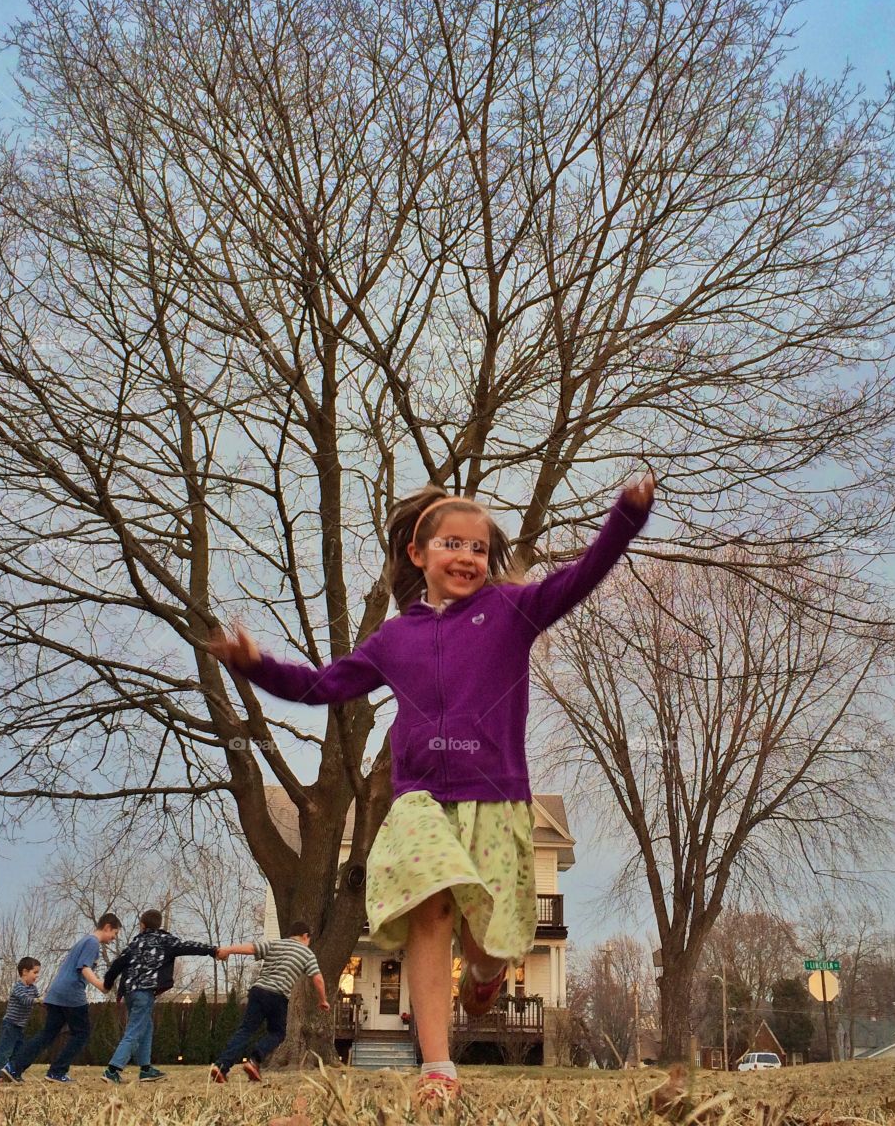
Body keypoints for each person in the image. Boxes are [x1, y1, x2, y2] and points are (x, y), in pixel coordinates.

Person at [207, 470, 654, 1105]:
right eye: (452, 543)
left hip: (497, 799)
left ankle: (485, 973)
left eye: (478, 547)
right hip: (421, 800)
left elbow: (579, 579)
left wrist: (626, 518)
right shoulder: (396, 638)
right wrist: (253, 665)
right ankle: (438, 1066)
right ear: (419, 554)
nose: (468, 557)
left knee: (487, 944)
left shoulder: (511, 611)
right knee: (432, 908)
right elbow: (324, 686)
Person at [101, 909, 221, 1084]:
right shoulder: (165, 941)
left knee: (146, 1027)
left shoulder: (136, 942)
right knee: (135, 1030)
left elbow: (118, 963)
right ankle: (112, 1070)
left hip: (130, 992)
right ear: (159, 925)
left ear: (142, 925)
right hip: (145, 992)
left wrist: (107, 982)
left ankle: (146, 1069)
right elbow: (189, 946)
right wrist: (213, 950)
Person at [2, 912, 122, 1084]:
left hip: (56, 992)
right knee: (82, 1033)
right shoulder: (92, 942)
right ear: (107, 927)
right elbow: (84, 968)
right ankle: (57, 1072)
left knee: (47, 1034)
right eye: (114, 933)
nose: (113, 938)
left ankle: (13, 1067)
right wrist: (101, 985)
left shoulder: (83, 941)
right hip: (71, 993)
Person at [208, 921, 329, 1083]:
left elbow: (251, 948)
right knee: (278, 1033)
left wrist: (228, 950)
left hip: (258, 991)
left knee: (246, 1030)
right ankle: (254, 1060)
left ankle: (221, 1066)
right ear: (305, 936)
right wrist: (323, 1000)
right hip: (278, 996)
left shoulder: (276, 944)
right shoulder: (307, 953)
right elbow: (318, 979)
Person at [0, 957, 41, 1083]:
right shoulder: (18, 987)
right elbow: (25, 1000)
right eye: (35, 972)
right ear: (25, 972)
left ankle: (13, 1073)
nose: (37, 976)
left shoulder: (33, 989)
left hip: (20, 1026)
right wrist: (38, 1001)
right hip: (10, 1024)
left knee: (18, 1051)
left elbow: (39, 999)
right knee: (5, 1051)